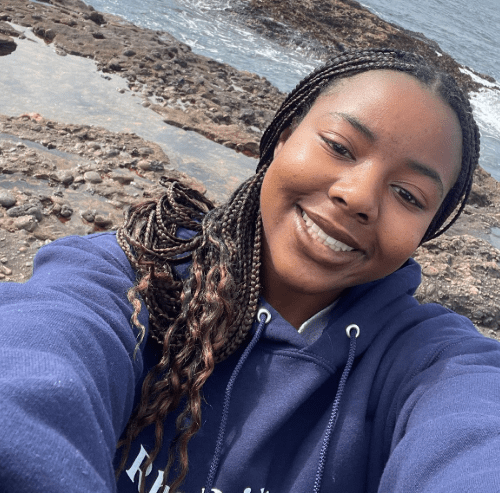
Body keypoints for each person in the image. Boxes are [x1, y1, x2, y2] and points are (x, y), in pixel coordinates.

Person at [0, 48, 499, 493]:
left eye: (408, 195)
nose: (359, 196)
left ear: (427, 230)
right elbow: (32, 367)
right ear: (283, 137)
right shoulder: (136, 274)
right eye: (340, 147)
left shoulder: (428, 366)